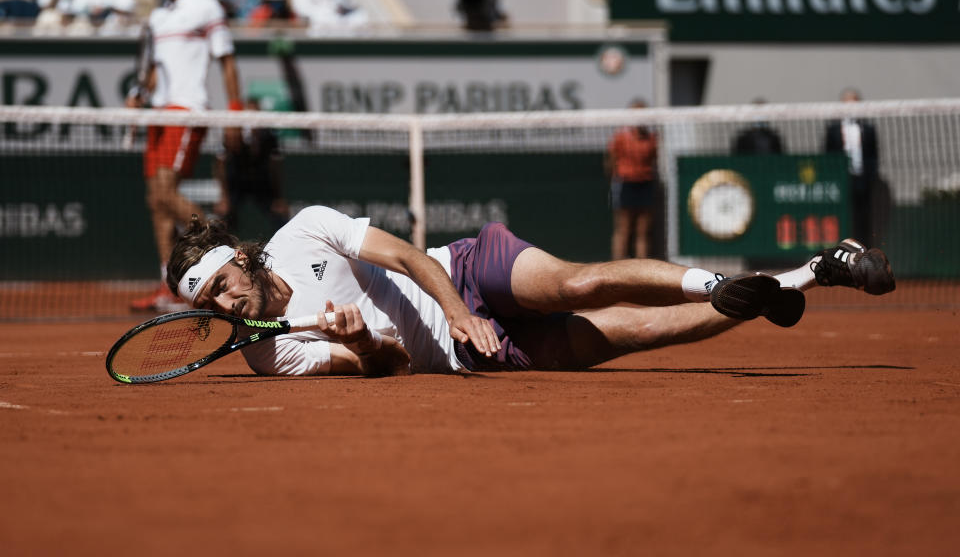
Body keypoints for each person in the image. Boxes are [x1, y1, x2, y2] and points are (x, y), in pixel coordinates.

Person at [164, 206, 895, 377]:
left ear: (241, 258)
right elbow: (381, 367)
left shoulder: (307, 230)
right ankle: (807, 275)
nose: (225, 308)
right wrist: (360, 343)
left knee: (577, 282)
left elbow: (412, 258)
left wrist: (454, 311)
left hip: (466, 270)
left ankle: (716, 282)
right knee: (645, 333)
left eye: (223, 287)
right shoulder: (269, 357)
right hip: (473, 358)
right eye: (211, 307)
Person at [127, 0, 243, 313]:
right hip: (159, 113)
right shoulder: (159, 17)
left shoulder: (206, 6)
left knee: (165, 194)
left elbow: (227, 62)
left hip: (187, 111)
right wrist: (140, 94)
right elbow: (154, 75)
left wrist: (235, 112)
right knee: (155, 202)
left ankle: (226, 244)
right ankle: (169, 287)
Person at [213, 97, 290, 234]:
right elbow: (220, 164)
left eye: (255, 114)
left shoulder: (269, 136)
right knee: (224, 218)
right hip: (236, 180)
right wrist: (224, 197)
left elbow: (274, 167)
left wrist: (278, 198)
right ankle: (221, 248)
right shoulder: (232, 134)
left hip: (261, 181)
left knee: (280, 214)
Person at [823, 87, 879, 243]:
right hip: (840, 180)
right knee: (840, 217)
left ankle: (863, 252)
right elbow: (828, 156)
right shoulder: (832, 129)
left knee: (862, 218)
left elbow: (873, 156)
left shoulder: (868, 129)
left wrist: (871, 177)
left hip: (862, 180)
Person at [606, 98, 659, 260]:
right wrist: (616, 179)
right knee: (624, 228)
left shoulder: (652, 139)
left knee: (643, 231)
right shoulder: (620, 138)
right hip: (625, 183)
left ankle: (642, 270)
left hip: (645, 183)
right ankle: (618, 268)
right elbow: (611, 161)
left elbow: (653, 161)